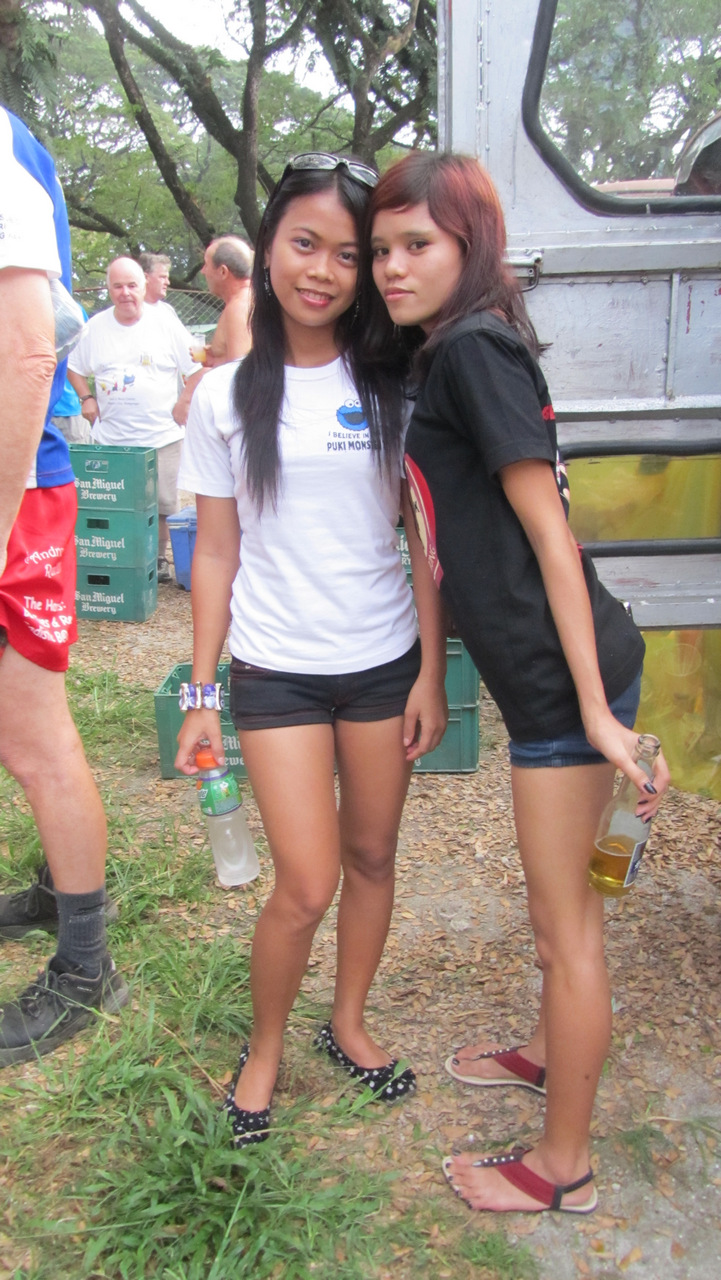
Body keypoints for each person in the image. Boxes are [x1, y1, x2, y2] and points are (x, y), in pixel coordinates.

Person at [368, 152, 670, 1214]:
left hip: (562, 689)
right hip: (552, 682)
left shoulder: (473, 351)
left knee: (564, 929)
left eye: (418, 245)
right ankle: (546, 1049)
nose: (392, 267)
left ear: (472, 245)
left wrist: (589, 712)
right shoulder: (437, 357)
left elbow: (549, 533)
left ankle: (562, 1167)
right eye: (381, 249)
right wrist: (432, 674)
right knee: (574, 905)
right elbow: (435, 535)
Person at [175, 152, 448, 1146]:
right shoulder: (221, 398)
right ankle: (263, 1049)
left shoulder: (395, 386)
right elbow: (215, 551)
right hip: (276, 672)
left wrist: (431, 671)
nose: (322, 271)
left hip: (381, 666)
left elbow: (421, 540)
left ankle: (349, 1020)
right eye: (304, 244)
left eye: (346, 253)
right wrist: (201, 692)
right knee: (304, 881)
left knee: (372, 854)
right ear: (269, 245)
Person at [0, 106, 128, 1067]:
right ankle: (55, 893)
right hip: (16, 490)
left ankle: (87, 968)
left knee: (34, 737)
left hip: (17, 491)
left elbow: (28, 348)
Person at [67, 257, 203, 582]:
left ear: (144, 286)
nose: (125, 293)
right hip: (112, 438)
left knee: (162, 503)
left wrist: (185, 401)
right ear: (108, 289)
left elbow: (197, 369)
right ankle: (120, 557)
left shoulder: (165, 323)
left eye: (131, 285)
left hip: (162, 436)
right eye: (118, 286)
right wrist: (86, 398)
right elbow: (73, 367)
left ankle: (158, 560)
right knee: (115, 504)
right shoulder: (95, 327)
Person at [200, 236, 253, 365]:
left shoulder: (239, 308)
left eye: (206, 265)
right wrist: (216, 359)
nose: (202, 271)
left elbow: (239, 371)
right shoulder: (244, 300)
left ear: (223, 272)